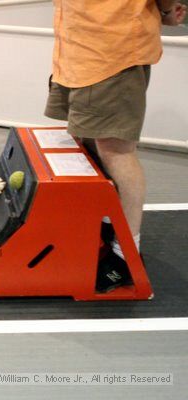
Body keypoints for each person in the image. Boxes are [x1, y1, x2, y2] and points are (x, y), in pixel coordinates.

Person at [44, 0, 187, 292]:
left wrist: (167, 8)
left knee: (116, 151)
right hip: (78, 47)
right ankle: (109, 221)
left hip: (113, 53)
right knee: (91, 142)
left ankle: (125, 255)